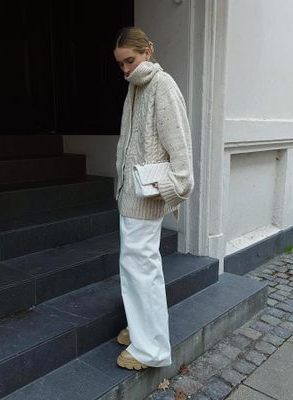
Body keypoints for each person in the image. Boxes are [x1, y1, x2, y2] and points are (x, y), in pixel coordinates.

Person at [113, 26, 194, 370]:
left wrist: (172, 189)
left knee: (142, 269)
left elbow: (181, 155)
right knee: (135, 267)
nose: (126, 69)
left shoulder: (163, 86)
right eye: (120, 64)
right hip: (131, 196)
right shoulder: (136, 89)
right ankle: (141, 329)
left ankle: (151, 350)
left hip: (147, 197)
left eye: (130, 60)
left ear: (147, 51)